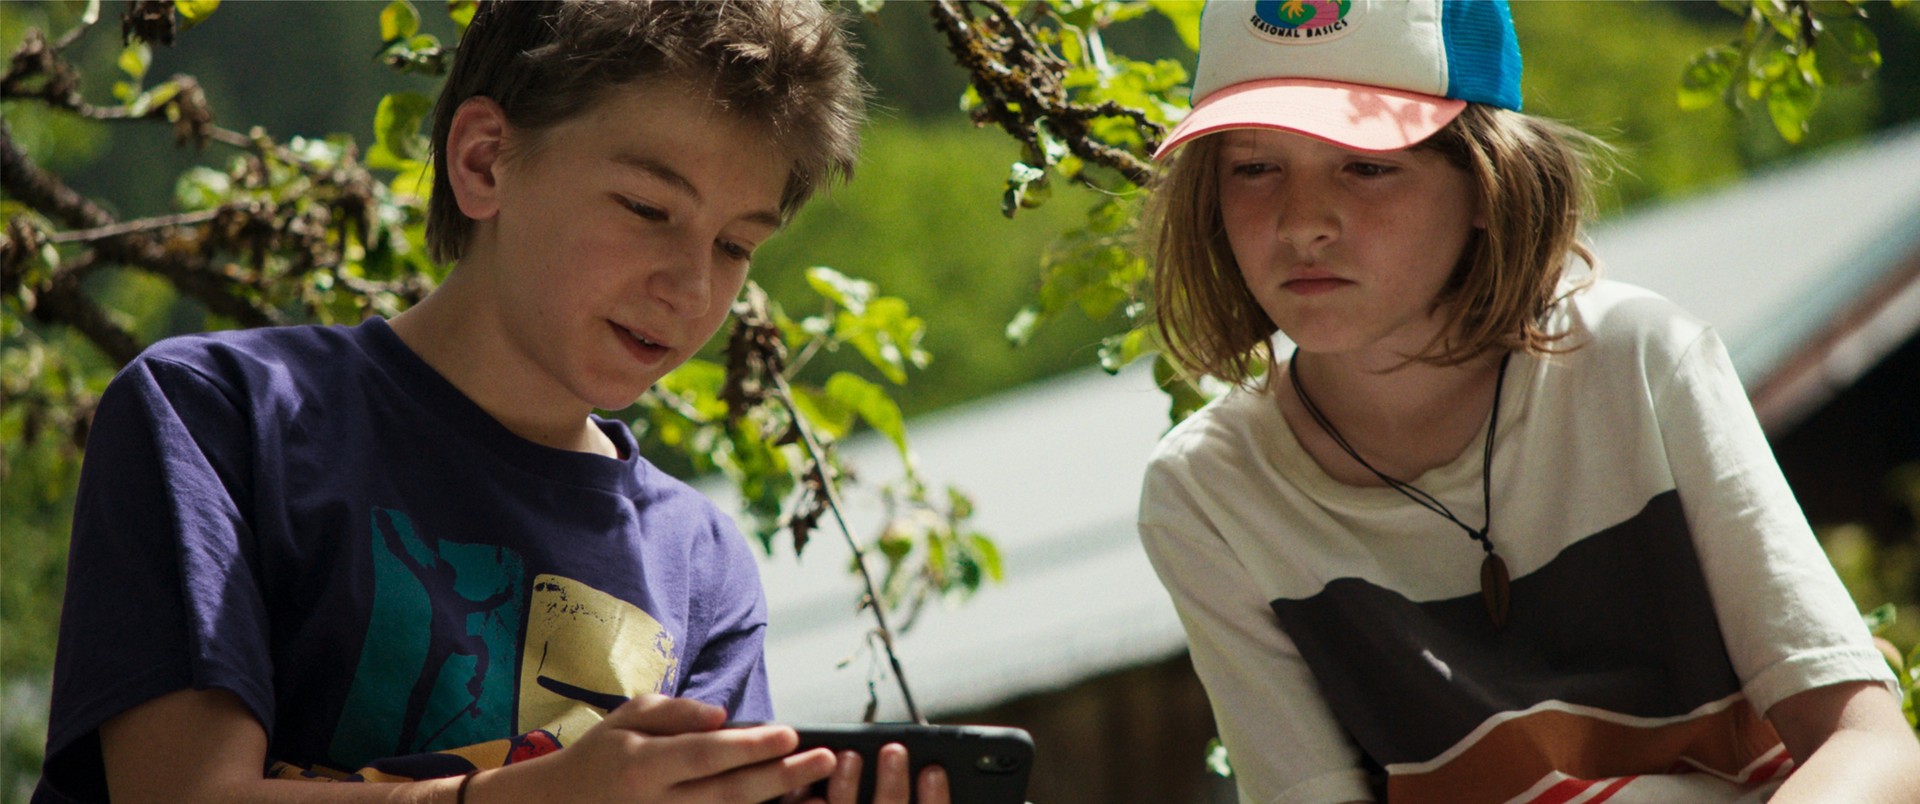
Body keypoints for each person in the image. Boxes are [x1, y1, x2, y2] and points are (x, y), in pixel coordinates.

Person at [34, 2, 948, 803]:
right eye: (646, 208)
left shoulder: (702, 568)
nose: (691, 288)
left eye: (736, 246)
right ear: (483, 161)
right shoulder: (220, 416)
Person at [1135, 1, 1920, 802]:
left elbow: (1872, 747)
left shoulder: (1637, 362)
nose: (1303, 224)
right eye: (1254, 169)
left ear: (1489, 180)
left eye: (1366, 166)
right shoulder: (1207, 492)